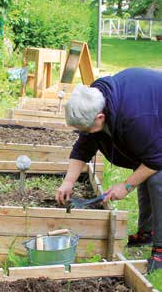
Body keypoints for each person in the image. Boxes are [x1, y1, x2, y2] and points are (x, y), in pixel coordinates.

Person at [55, 68, 162, 272]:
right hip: (151, 122)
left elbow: (156, 158)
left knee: (157, 179)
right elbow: (84, 146)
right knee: (143, 169)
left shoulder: (134, 118)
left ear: (101, 117)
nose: (85, 134)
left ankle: (161, 248)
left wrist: (126, 185)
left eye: (87, 129)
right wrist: (68, 182)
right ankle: (146, 234)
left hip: (153, 119)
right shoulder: (93, 102)